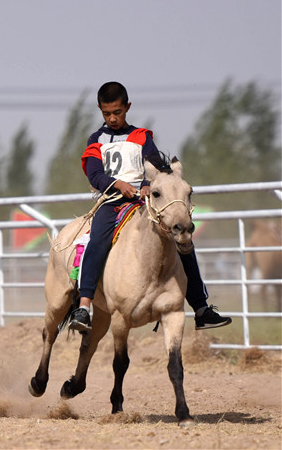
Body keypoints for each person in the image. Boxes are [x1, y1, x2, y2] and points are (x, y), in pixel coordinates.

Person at [68, 81, 231, 332]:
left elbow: (159, 168)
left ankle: (201, 308)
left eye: (117, 112)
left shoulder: (142, 137)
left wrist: (146, 183)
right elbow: (94, 175)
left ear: (127, 107)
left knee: (182, 239)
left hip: (145, 203)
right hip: (112, 202)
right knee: (98, 240)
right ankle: (84, 305)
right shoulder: (96, 140)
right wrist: (118, 184)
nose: (112, 118)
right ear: (100, 110)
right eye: (106, 113)